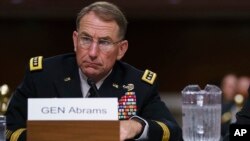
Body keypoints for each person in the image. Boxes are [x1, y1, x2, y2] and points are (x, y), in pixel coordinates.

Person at [5, 1, 182, 141]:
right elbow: (9, 130)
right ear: (75, 40)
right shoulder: (43, 76)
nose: (92, 53)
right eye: (86, 39)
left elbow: (173, 132)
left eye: (104, 42)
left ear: (121, 49)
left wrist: (136, 127)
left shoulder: (138, 84)